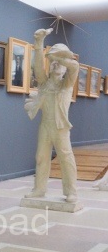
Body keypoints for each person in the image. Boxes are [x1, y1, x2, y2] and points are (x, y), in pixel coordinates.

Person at [24, 28, 79, 202]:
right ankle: (39, 189)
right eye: (53, 62)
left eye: (60, 63)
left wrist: (59, 57)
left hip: (61, 127)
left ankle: (71, 192)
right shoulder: (44, 83)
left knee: (65, 157)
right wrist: (39, 43)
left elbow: (75, 66)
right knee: (41, 157)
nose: (56, 65)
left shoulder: (66, 84)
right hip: (45, 125)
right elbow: (37, 66)